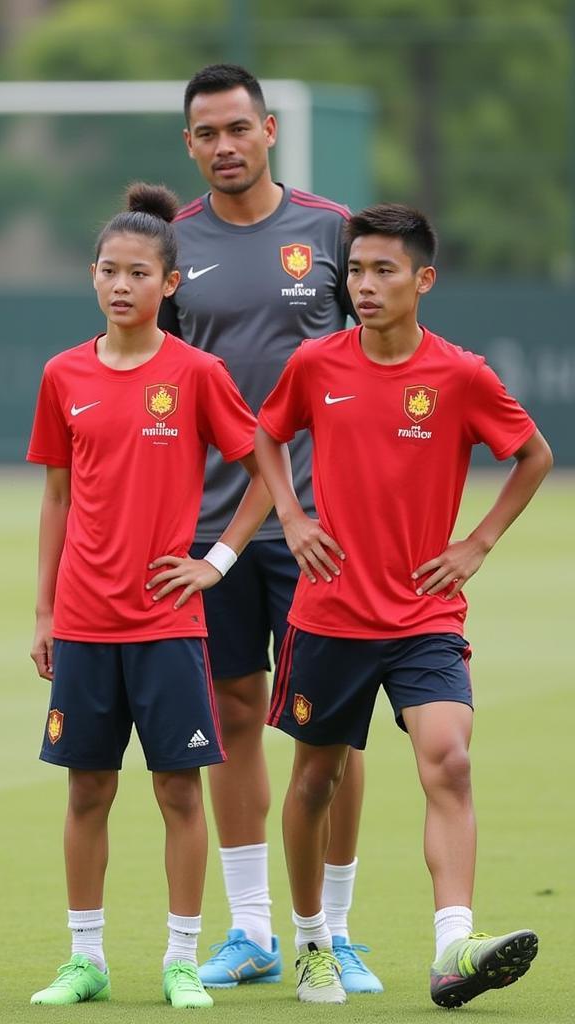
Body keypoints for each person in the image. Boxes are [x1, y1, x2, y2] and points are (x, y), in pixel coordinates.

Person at [254, 203, 551, 1005]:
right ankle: (313, 941)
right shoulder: (317, 363)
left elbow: (532, 455)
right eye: (355, 271)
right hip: (329, 613)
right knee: (314, 781)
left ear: (424, 279)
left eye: (384, 270)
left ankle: (454, 945)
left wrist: (477, 543)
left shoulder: (461, 374)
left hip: (423, 615)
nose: (366, 285)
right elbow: (266, 433)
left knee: (450, 760)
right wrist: (291, 514)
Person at [26, 183, 277, 1009]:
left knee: (177, 790)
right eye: (108, 270)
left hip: (170, 623)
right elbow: (58, 497)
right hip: (87, 624)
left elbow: (265, 477)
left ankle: (179, 956)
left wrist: (218, 560)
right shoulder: (62, 373)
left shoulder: (197, 373)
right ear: (92, 278)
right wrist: (44, 612)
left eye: (139, 272)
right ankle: (85, 958)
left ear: (171, 284)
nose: (121, 284)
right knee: (87, 789)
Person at [159, 62, 380, 992]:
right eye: (206, 134)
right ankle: (251, 929)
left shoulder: (330, 233)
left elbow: (380, 364)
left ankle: (332, 929)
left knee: (333, 732)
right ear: (190, 145)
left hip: (321, 526)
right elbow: (149, 373)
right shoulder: (169, 244)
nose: (223, 147)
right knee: (234, 717)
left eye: (237, 129)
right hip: (207, 532)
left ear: (270, 130)